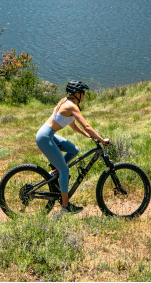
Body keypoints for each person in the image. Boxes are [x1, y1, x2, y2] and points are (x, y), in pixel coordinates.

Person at [36, 80, 110, 215]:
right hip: (45, 138)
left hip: (47, 135)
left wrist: (87, 135)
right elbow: (86, 125)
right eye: (83, 93)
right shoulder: (71, 106)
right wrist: (101, 139)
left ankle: (55, 173)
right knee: (65, 170)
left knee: (74, 150)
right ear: (77, 94)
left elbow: (73, 124)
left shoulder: (67, 102)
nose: (84, 95)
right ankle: (65, 206)